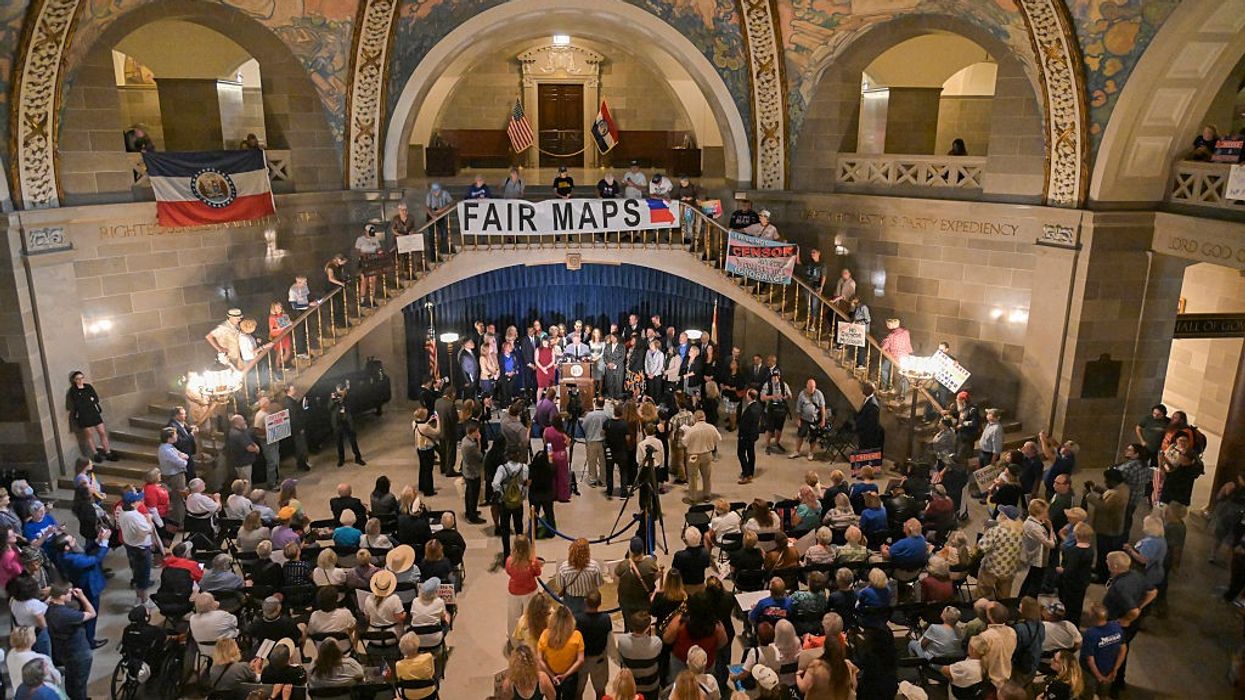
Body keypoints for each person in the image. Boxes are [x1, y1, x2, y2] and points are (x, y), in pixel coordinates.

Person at [44, 583, 97, 700]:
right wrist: (82, 597)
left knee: (71, 681)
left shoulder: (49, 609)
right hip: (79, 653)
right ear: (62, 596)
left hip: (64, 652)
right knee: (79, 684)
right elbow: (92, 613)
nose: (71, 595)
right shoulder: (67, 615)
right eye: (69, 593)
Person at [65, 370, 116, 463]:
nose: (80, 380)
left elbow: (95, 398)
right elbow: (77, 403)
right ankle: (95, 454)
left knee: (102, 432)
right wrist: (88, 400)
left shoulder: (88, 387)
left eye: (81, 378)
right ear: (74, 380)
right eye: (78, 379)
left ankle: (108, 451)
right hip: (83, 414)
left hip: (93, 412)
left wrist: (88, 401)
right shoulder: (73, 390)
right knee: (89, 435)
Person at [538, 604, 585, 699]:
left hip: (551, 675)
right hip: (570, 676)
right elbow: (580, 660)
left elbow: (540, 660)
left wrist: (551, 675)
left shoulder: (545, 635)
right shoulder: (576, 635)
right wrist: (565, 675)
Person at [1080, 603, 1126, 699]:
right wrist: (1115, 669)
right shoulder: (1116, 627)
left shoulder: (1091, 633)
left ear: (1093, 616)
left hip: (1090, 672)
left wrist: (1099, 677)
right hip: (1109, 670)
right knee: (1103, 694)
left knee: (1087, 694)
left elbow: (1089, 659)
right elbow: (1123, 649)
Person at [977, 506, 1023, 599]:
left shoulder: (996, 531)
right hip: (1010, 570)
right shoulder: (1021, 531)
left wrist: (986, 532)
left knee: (983, 592)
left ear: (1004, 517)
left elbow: (982, 547)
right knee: (1004, 595)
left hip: (991, 568)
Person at [613, 612, 663, 697]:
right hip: (650, 686)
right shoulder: (656, 642)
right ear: (648, 627)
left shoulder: (622, 641)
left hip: (630, 685)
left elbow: (620, 660)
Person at [575, 590, 613, 699]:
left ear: (585, 602)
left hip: (581, 660)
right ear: (600, 603)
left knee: (578, 692)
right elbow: (610, 642)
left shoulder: (578, 619)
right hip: (599, 660)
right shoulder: (605, 619)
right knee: (601, 691)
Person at [6, 627, 62, 693]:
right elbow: (57, 679)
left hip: (19, 692)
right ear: (31, 639)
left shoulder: (10, 654)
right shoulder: (40, 659)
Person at [792, 378, 826, 461]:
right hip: (804, 418)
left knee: (813, 436)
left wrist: (823, 420)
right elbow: (798, 408)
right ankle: (797, 451)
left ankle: (811, 452)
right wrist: (799, 419)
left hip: (815, 419)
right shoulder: (802, 394)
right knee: (800, 435)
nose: (812, 389)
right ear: (807, 386)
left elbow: (822, 407)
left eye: (813, 387)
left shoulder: (819, 394)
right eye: (810, 387)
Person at [760, 369, 791, 455]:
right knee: (769, 429)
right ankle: (768, 445)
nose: (775, 378)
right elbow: (762, 397)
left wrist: (786, 397)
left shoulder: (784, 385)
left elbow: (790, 395)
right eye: (774, 376)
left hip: (781, 410)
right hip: (771, 410)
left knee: (779, 428)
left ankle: (777, 443)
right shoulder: (767, 385)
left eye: (777, 376)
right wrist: (773, 396)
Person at [424, 183, 453, 260]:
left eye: (437, 191)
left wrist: (442, 210)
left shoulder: (445, 194)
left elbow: (451, 203)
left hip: (441, 214)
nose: (435, 193)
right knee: (432, 236)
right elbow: (427, 207)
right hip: (431, 214)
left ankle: (444, 249)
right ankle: (433, 256)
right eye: (434, 191)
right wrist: (432, 216)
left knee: (444, 232)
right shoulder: (429, 195)